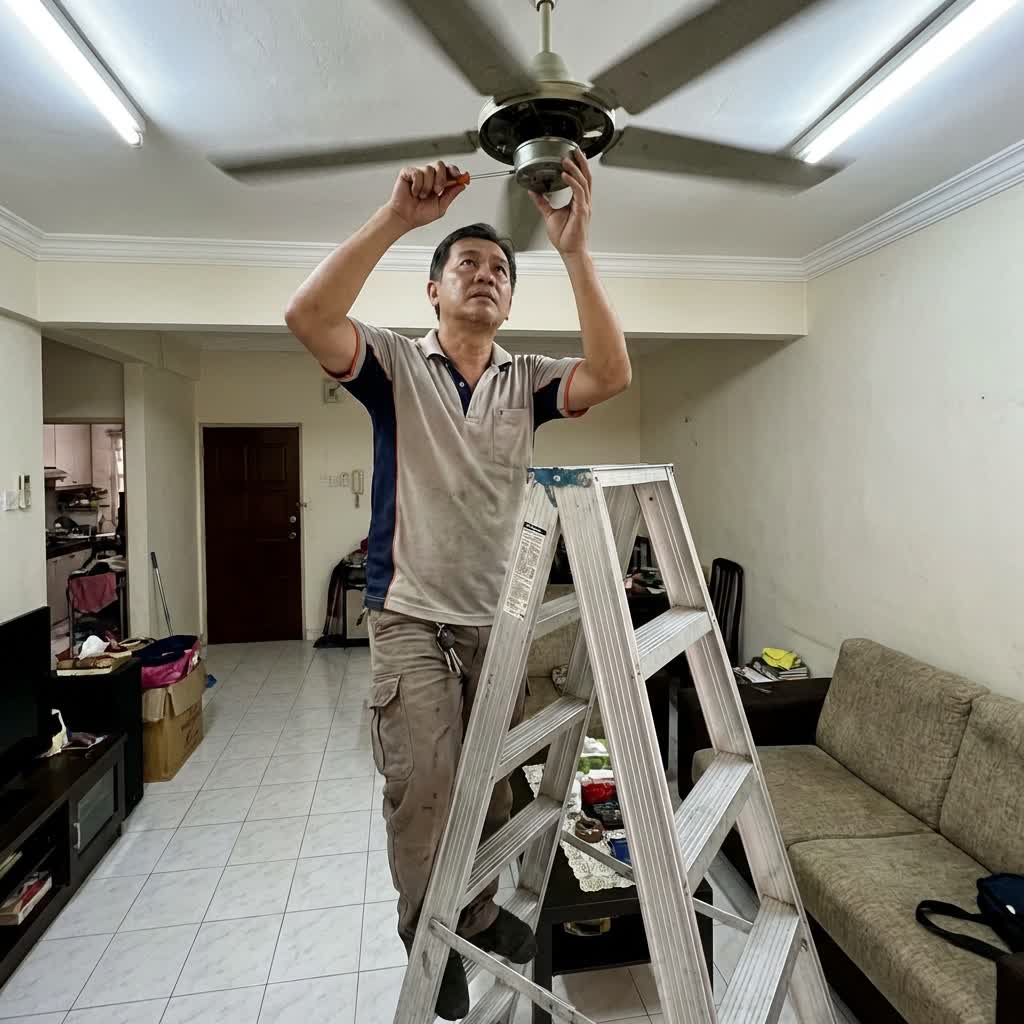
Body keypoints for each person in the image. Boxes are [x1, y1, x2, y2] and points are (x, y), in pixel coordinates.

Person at [285, 150, 631, 1018]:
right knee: (425, 789)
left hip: (497, 618)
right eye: (466, 265)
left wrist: (574, 250)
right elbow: (307, 316)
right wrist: (400, 218)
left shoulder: (527, 380)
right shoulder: (395, 366)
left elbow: (612, 373)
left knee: (495, 788)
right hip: (409, 614)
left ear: (509, 303)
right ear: (434, 289)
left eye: (500, 271)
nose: (485, 276)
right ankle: (428, 933)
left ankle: (473, 913)